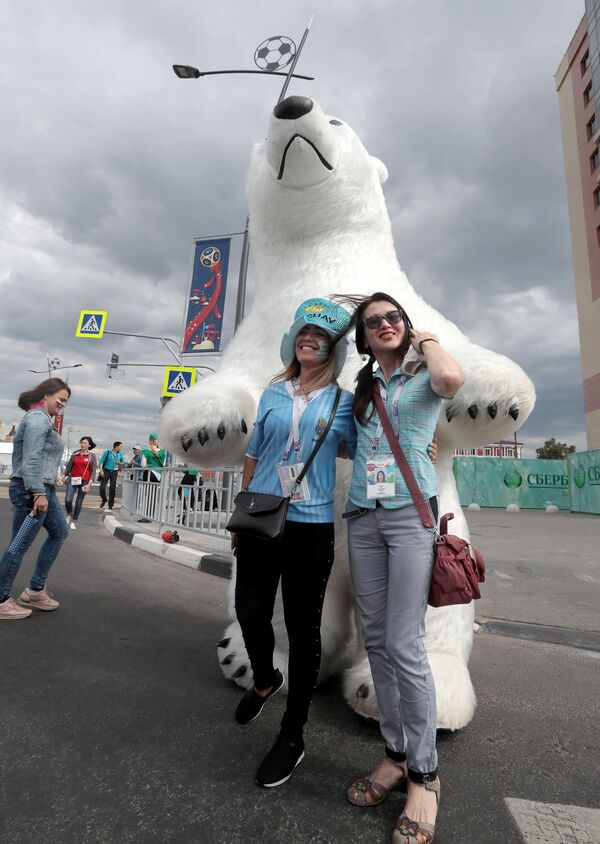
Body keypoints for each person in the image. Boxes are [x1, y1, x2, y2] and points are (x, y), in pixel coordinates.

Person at [343, 292, 464, 844]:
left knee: (405, 642)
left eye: (393, 318)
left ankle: (425, 776)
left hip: (410, 518)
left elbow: (453, 381)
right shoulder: (363, 391)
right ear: (363, 337)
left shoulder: (423, 378)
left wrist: (428, 340)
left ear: (405, 327)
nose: (385, 325)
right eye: (374, 322)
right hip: (362, 518)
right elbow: (346, 443)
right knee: (375, 640)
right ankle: (394, 755)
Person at [232, 298, 357, 789]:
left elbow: (367, 443)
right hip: (263, 519)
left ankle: (292, 735)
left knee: (304, 631)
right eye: (304, 333)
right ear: (294, 342)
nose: (310, 340)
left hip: (310, 527)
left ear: (332, 348)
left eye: (320, 336)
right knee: (249, 612)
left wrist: (422, 443)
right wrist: (242, 510)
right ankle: (265, 678)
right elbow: (254, 452)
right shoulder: (272, 393)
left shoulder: (342, 401)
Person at [0, 378, 71, 620]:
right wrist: (38, 493)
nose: (62, 404)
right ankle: (1, 599)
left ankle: (35, 590)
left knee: (60, 532)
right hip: (31, 490)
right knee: (18, 545)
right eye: (60, 399)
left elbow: (45, 458)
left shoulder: (43, 420)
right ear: (46, 395)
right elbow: (31, 459)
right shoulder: (37, 420)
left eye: (65, 401)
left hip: (44, 488)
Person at [63, 436, 97, 530]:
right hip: (73, 479)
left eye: (85, 443)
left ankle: (74, 520)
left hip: (85, 482)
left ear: (89, 445)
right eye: (82, 442)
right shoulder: (75, 454)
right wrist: (62, 476)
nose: (82, 444)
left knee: (79, 502)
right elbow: (68, 467)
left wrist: (89, 484)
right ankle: (69, 514)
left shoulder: (92, 456)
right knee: (68, 500)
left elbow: (93, 471)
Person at [98, 441, 125, 512]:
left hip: (114, 472)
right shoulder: (108, 452)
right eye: (120, 447)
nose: (121, 448)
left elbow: (123, 463)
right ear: (116, 447)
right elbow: (101, 461)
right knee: (102, 488)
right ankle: (104, 499)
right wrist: (101, 470)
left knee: (112, 489)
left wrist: (120, 463)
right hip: (106, 471)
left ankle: (110, 505)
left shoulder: (120, 455)